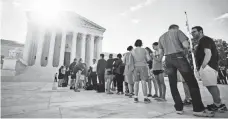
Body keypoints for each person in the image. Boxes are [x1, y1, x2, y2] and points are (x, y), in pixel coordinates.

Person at [158, 24, 213, 117]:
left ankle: (178, 108)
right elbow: (186, 45)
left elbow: (160, 53)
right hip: (179, 57)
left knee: (173, 84)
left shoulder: (161, 37)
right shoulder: (177, 32)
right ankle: (198, 109)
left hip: (167, 59)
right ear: (176, 28)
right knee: (192, 83)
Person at [192, 26, 227, 112]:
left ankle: (219, 105)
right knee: (211, 86)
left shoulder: (204, 39)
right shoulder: (203, 40)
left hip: (208, 66)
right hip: (209, 66)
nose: (192, 34)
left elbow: (208, 53)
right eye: (192, 32)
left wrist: (203, 66)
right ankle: (218, 104)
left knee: (211, 86)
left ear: (200, 31)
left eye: (194, 32)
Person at [130, 39, 151, 103]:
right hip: (143, 67)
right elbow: (149, 59)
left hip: (135, 67)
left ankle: (136, 98)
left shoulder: (132, 51)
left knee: (136, 82)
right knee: (143, 82)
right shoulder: (145, 50)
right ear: (141, 43)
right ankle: (145, 98)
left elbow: (130, 61)